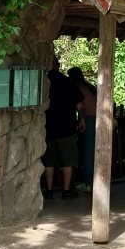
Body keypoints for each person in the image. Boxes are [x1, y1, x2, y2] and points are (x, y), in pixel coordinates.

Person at [42, 58, 83, 200]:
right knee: (68, 160)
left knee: (49, 161)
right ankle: (66, 191)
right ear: (58, 65)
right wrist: (81, 119)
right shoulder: (68, 82)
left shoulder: (44, 82)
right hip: (67, 127)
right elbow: (79, 105)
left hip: (48, 128)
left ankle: (48, 191)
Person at [68, 66, 97, 190]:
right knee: (96, 151)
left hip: (89, 120)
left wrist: (81, 119)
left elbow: (80, 106)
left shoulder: (77, 88)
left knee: (88, 152)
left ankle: (88, 183)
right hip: (98, 119)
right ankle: (96, 181)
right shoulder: (89, 86)